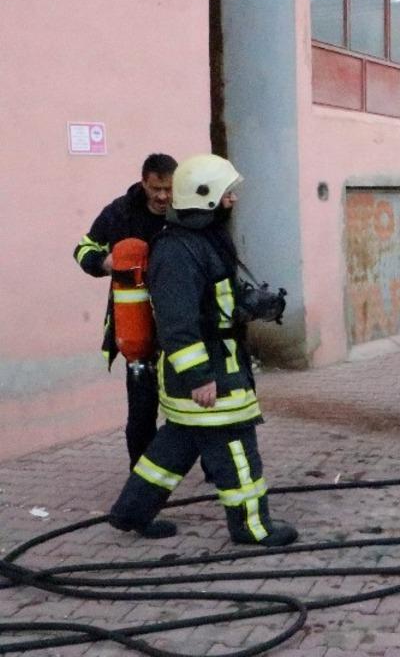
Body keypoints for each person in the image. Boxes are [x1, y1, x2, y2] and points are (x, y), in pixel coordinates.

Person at [108, 154, 297, 545]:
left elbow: (215, 299)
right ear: (206, 197)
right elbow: (177, 323)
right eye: (227, 194)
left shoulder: (204, 240)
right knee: (235, 445)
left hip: (208, 368)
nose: (233, 200)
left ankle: (131, 513)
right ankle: (252, 527)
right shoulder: (177, 251)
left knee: (173, 447)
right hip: (206, 373)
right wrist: (199, 377)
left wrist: (251, 304)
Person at [74, 153, 177, 469]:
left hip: (178, 322)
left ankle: (213, 469)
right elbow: (83, 248)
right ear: (144, 182)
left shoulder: (186, 211)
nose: (162, 196)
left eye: (168, 189)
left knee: (195, 402)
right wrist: (102, 262)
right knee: (142, 411)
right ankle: (141, 478)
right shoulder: (119, 213)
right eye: (155, 188)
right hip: (136, 327)